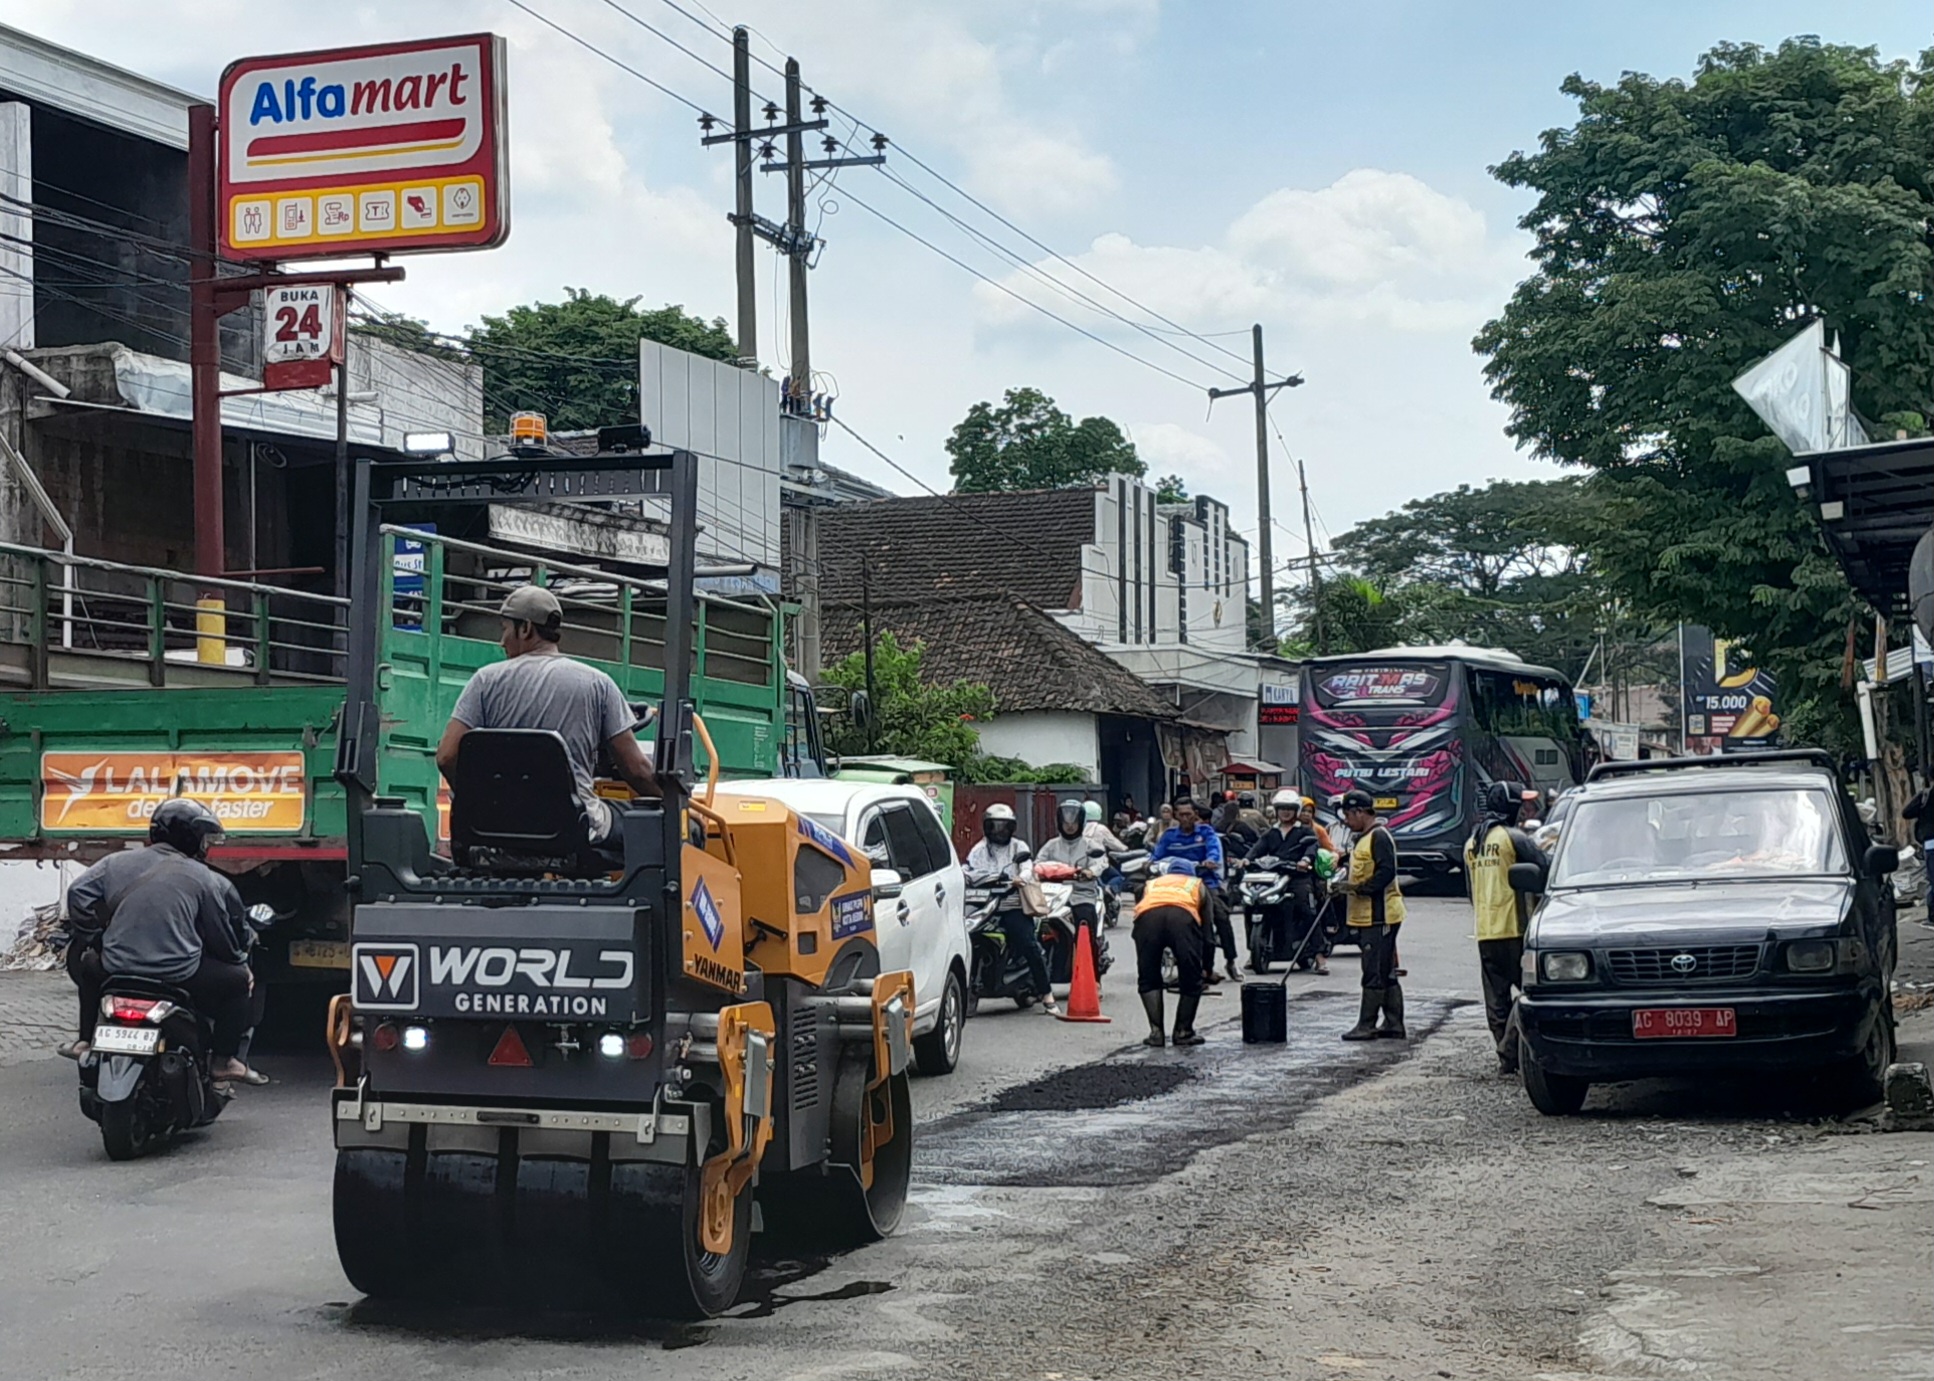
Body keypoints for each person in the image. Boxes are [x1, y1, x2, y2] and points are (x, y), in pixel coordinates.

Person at [436, 586, 660, 848]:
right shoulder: (598, 684)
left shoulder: (484, 681)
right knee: (669, 825)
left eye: (504, 629)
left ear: (526, 628)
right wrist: (681, 808)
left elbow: (447, 756)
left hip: (497, 828)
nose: (501, 641)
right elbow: (637, 771)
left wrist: (483, 805)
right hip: (576, 828)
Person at [60, 799, 261, 1083]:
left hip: (115, 968)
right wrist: (239, 962)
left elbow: (78, 893)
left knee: (89, 964)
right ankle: (223, 1061)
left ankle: (84, 1041)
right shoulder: (205, 878)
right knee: (239, 982)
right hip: (178, 974)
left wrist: (94, 938)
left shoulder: (114, 862)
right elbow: (220, 934)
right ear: (192, 838)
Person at [1466, 780, 1548, 1074]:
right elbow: (1545, 869)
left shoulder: (1472, 843)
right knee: (1529, 991)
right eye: (1522, 803)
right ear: (1512, 807)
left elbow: (1470, 890)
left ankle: (1506, 1058)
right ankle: (1510, 1048)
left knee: (1497, 998)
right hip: (1515, 928)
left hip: (1485, 930)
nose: (1526, 809)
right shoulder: (1513, 838)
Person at [963, 803, 1057, 1015]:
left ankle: (1047, 995)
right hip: (984, 906)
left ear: (1011, 828)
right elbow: (968, 870)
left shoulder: (1019, 847)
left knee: (1028, 944)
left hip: (1011, 905)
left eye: (1004, 826)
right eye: (995, 826)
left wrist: (1019, 879)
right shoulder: (978, 850)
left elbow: (1027, 868)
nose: (999, 831)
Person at [1333, 788, 1407, 1041]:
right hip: (1366, 915)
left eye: (1348, 815)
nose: (1346, 821)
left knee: (1374, 969)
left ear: (1360, 812)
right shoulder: (1362, 838)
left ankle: (1367, 1024)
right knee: (1385, 969)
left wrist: (1361, 889)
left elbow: (1387, 872)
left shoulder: (1379, 837)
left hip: (1381, 915)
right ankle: (1393, 1023)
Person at [1153, 798, 1239, 984]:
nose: (1185, 818)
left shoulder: (1206, 833)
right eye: (1181, 815)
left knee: (1220, 916)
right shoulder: (1168, 836)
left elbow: (1214, 852)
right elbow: (1156, 857)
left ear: (1195, 815)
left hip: (1204, 882)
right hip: (1174, 884)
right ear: (1175, 815)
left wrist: (1210, 861)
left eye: (1188, 814)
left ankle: (1227, 961)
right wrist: (1149, 864)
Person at [1247, 790, 1327, 974]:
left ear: (1296, 811)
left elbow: (1311, 848)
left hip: (1298, 878)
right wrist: (1245, 860)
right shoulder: (1270, 833)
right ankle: (1254, 952)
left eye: (1289, 809)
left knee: (1307, 910)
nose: (1285, 812)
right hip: (1273, 879)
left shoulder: (1304, 832)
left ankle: (1319, 956)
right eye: (1281, 809)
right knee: (1252, 905)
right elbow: (1256, 849)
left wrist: (1305, 861)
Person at [1134, 859, 1211, 1048]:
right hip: (1182, 919)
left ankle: (1156, 1033)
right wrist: (1206, 969)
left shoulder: (1151, 884)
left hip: (1147, 920)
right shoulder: (1197, 884)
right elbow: (1207, 933)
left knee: (1148, 976)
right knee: (1191, 978)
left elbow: (1140, 906)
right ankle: (1183, 1032)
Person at [1036, 800, 1116, 966]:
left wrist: (1090, 872)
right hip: (1052, 896)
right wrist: (1037, 872)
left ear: (1081, 822)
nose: (1070, 826)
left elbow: (1100, 862)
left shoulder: (1090, 845)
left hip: (1081, 894)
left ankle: (1093, 977)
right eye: (1066, 822)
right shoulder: (1051, 846)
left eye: (1074, 822)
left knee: (1085, 925)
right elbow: (1038, 863)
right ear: (1059, 822)